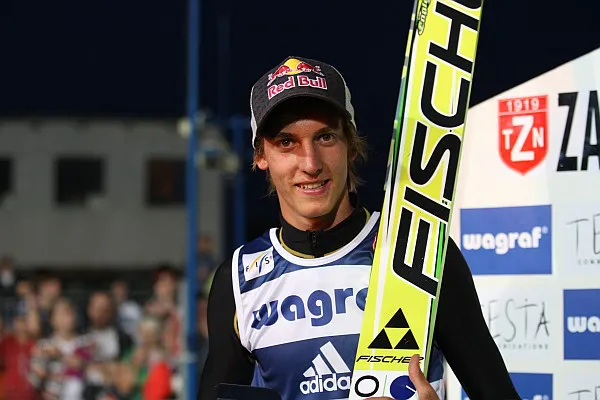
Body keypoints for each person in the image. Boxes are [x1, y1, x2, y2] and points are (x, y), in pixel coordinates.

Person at [198, 56, 520, 400]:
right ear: (261, 156)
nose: (310, 163)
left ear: (351, 145)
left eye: (325, 137)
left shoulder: (419, 253)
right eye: (287, 143)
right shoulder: (238, 280)